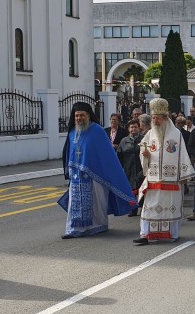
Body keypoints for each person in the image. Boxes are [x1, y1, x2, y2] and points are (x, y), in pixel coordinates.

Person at [58, 102, 137, 239]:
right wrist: (69, 169)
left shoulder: (97, 131)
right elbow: (69, 152)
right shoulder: (72, 132)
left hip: (95, 175)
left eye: (82, 115)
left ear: (88, 116)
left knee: (97, 202)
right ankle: (73, 229)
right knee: (75, 202)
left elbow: (106, 155)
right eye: (76, 116)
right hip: (76, 176)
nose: (79, 118)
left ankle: (98, 226)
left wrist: (98, 169)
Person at [134, 98, 195, 244]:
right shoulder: (150, 134)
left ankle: (171, 234)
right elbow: (143, 149)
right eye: (153, 118)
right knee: (149, 207)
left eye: (158, 118)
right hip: (153, 178)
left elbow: (183, 154)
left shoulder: (176, 134)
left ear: (165, 118)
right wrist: (145, 155)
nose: (155, 121)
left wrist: (184, 175)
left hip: (172, 180)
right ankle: (145, 235)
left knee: (170, 207)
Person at [118, 119, 145, 217]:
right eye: (131, 127)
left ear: (139, 128)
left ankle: (144, 208)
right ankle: (132, 209)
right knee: (131, 190)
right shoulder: (124, 141)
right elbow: (119, 155)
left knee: (142, 189)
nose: (133, 129)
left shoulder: (144, 139)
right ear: (129, 129)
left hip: (141, 168)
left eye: (135, 127)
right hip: (128, 168)